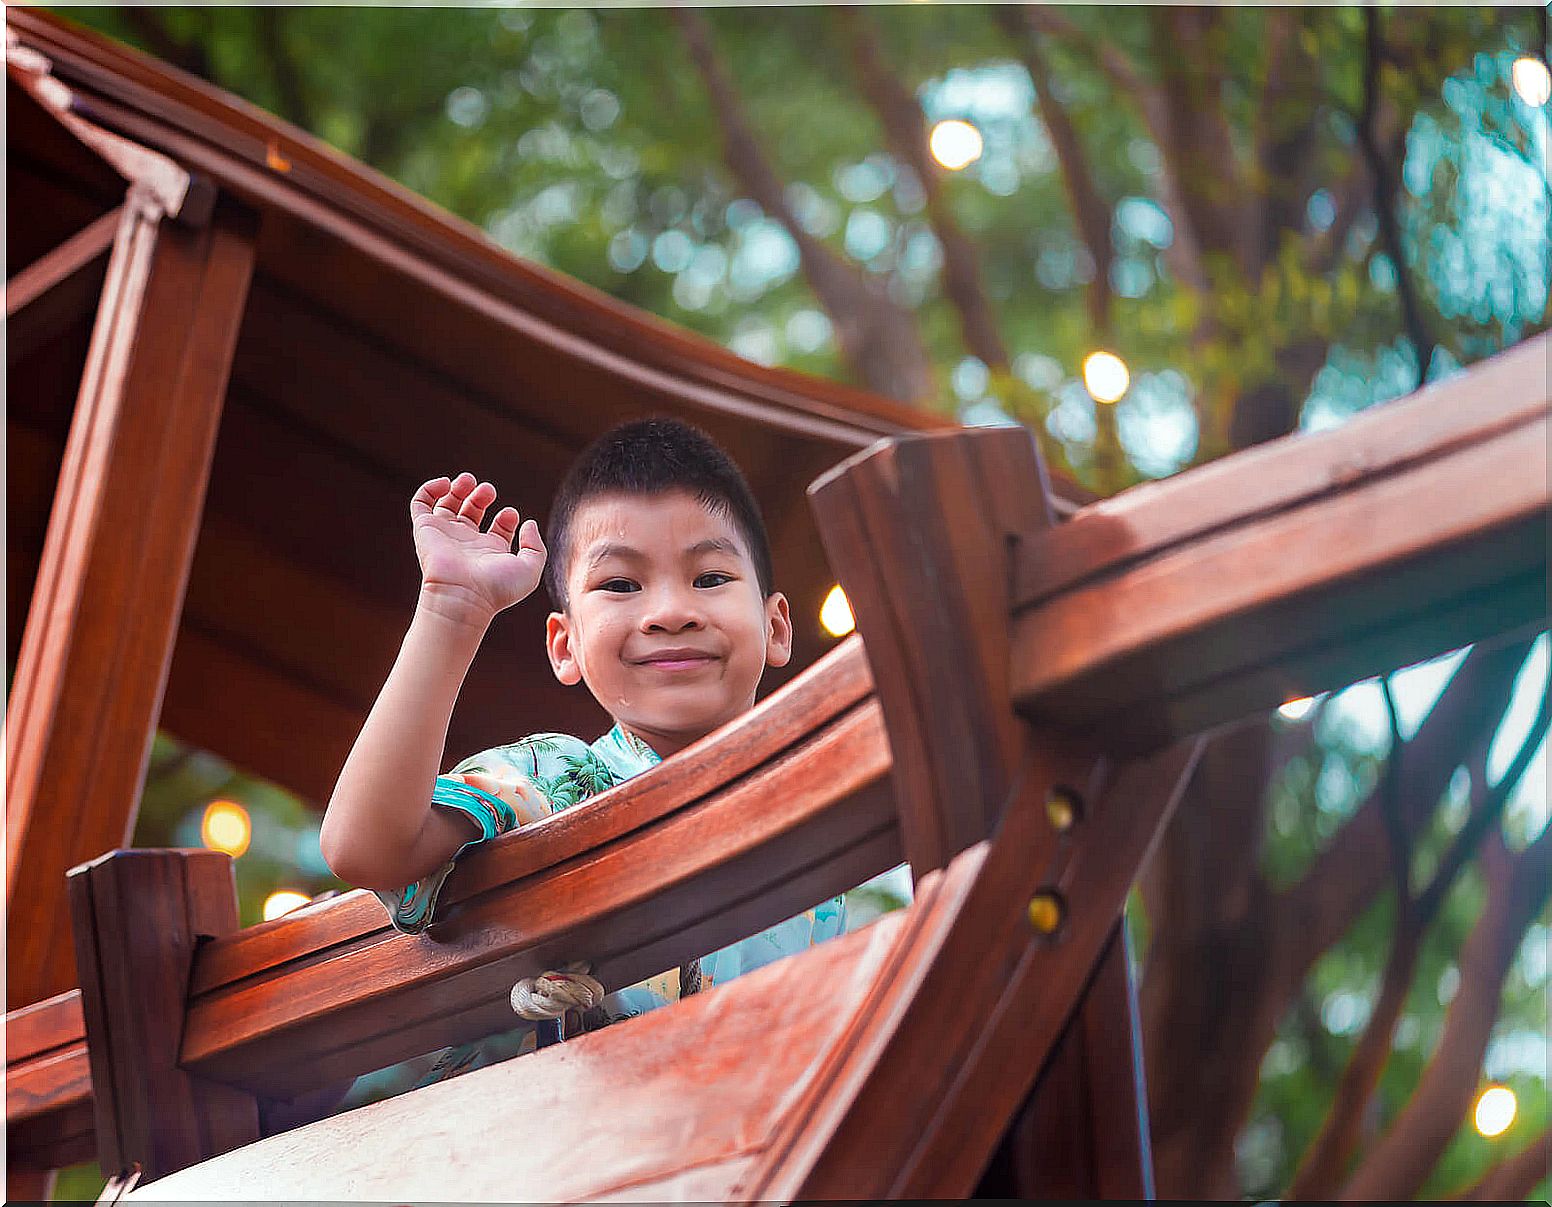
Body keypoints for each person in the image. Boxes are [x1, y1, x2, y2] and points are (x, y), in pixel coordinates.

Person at [319, 417, 860, 1093]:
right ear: (564, 645)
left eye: (711, 576)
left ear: (776, 624)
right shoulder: (558, 777)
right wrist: (452, 610)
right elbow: (365, 847)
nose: (669, 611)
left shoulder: (815, 843)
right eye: (622, 585)